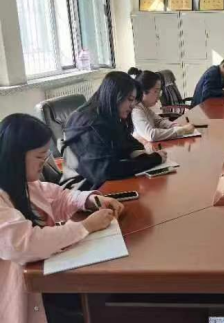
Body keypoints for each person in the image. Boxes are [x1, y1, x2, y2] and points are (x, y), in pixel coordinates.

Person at [0, 114, 123, 323]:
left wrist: (91, 200)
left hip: (46, 277)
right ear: (15, 156)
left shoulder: (23, 183)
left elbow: (61, 197)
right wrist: (85, 226)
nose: (45, 161)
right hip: (23, 293)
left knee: (107, 294)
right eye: (39, 156)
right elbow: (25, 244)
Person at [61, 72, 167, 191]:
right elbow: (105, 170)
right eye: (130, 99)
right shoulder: (89, 124)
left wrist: (141, 154)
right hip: (85, 191)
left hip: (104, 186)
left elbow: (130, 143)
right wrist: (152, 160)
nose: (132, 106)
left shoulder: (106, 115)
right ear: (114, 96)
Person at [130, 69, 195, 142]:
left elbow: (159, 121)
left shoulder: (144, 107)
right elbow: (151, 135)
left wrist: (174, 125)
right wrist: (182, 130)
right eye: (156, 91)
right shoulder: (136, 110)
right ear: (143, 91)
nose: (159, 96)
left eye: (159, 91)